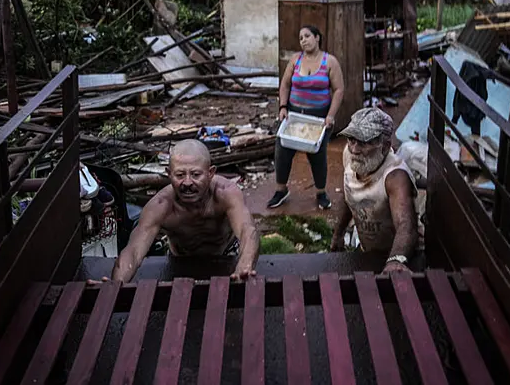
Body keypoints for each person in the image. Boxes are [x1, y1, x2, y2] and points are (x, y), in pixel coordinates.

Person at [94, 140, 260, 283]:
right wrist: (116, 284)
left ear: (210, 173)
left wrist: (244, 266)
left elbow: (248, 229)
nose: (187, 182)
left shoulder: (225, 193)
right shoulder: (161, 205)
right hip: (180, 260)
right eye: (180, 175)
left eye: (195, 174)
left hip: (226, 254)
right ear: (168, 174)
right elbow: (134, 251)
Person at [330, 108, 421, 273]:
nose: (355, 149)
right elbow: (348, 192)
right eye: (351, 139)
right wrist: (338, 233)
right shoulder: (350, 154)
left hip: (397, 254)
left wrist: (395, 260)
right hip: (368, 251)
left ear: (385, 147)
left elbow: (406, 225)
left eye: (364, 143)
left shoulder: (395, 176)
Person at [268, 25, 345, 210]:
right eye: (301, 37)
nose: (303, 40)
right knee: (282, 150)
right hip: (294, 113)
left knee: (317, 154)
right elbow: (285, 84)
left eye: (307, 36)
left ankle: (321, 192)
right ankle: (281, 190)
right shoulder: (295, 60)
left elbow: (339, 90)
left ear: (317, 37)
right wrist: (283, 106)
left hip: (319, 116)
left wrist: (331, 116)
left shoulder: (330, 62)